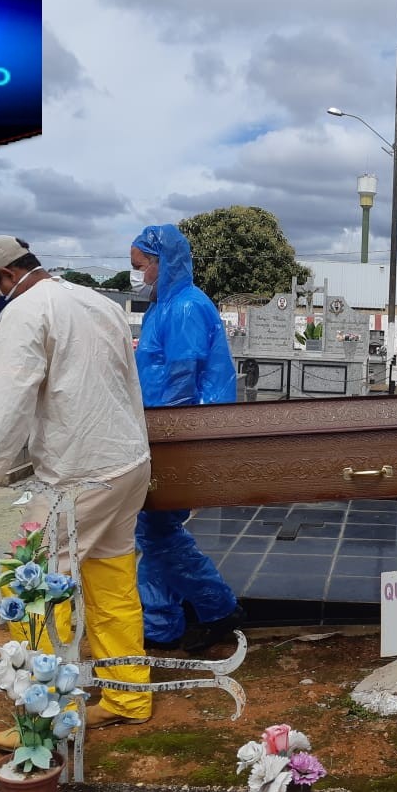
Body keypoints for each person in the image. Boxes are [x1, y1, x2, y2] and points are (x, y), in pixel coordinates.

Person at [0, 236, 153, 747]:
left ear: (3, 277)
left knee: (30, 587)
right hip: (126, 463)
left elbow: (1, 408)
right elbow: (129, 385)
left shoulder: (26, 312)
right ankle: (127, 696)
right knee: (110, 581)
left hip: (76, 478)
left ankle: (43, 717)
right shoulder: (97, 302)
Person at [130, 224, 245, 653]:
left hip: (182, 433)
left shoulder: (184, 308)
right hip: (163, 431)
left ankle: (217, 607)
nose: (137, 274)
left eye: (140, 265)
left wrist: (169, 433)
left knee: (157, 528)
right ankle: (162, 623)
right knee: (154, 528)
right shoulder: (163, 306)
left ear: (162, 262)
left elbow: (182, 378)